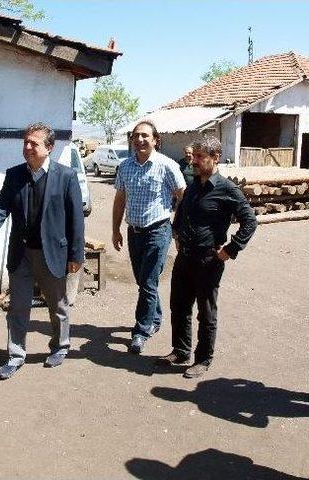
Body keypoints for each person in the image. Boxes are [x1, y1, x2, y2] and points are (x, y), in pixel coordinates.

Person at [0, 123, 84, 380]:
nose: (27, 147)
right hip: (22, 254)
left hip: (53, 253)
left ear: (49, 148)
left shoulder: (66, 176)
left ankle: (60, 346)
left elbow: (76, 219)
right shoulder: (15, 175)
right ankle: (15, 355)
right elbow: (0, 207)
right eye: (25, 142)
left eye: (34, 143)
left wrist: (76, 255)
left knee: (57, 304)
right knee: (18, 307)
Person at [158, 136, 257, 378]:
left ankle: (203, 359)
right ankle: (181, 351)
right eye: (195, 156)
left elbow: (250, 221)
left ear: (215, 158)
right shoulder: (193, 184)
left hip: (208, 261)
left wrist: (230, 250)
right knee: (179, 306)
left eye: (201, 157)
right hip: (185, 257)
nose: (195, 160)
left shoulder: (226, 189)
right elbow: (182, 211)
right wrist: (177, 232)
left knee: (206, 312)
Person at [112, 121, 186, 354]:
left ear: (156, 140)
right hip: (134, 233)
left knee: (147, 283)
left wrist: (178, 228)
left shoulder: (167, 166)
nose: (140, 140)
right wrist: (115, 229)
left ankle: (141, 331)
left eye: (145, 136)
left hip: (158, 231)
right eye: (136, 136)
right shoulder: (124, 167)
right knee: (144, 281)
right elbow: (120, 199)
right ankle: (155, 319)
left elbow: (182, 195)